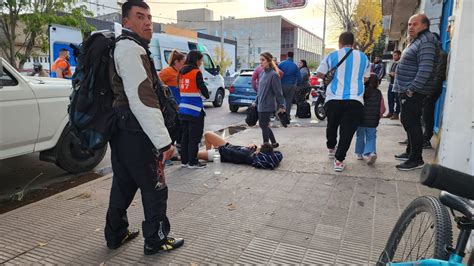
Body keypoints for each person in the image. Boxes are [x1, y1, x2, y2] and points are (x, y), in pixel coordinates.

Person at [105, 0, 183, 255]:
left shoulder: (126, 47)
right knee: (155, 187)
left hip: (123, 129)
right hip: (138, 131)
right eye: (140, 17)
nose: (147, 22)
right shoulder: (130, 49)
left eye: (149, 17)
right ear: (126, 22)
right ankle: (157, 239)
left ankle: (116, 234)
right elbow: (143, 98)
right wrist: (164, 143)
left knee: (123, 184)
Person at [316, 31, 370, 172]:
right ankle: (339, 161)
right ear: (353, 43)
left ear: (340, 43)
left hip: (333, 98)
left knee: (332, 125)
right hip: (355, 99)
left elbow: (320, 74)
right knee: (347, 131)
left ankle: (331, 147)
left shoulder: (332, 55)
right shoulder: (364, 57)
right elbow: (365, 78)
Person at [393, 14, 439, 171]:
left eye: (415, 24)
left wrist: (411, 89)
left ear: (425, 25)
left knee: (411, 122)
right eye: (409, 24)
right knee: (408, 121)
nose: (411, 27)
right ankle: (410, 152)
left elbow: (425, 69)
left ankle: (416, 159)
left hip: (414, 92)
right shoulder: (418, 40)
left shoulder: (426, 41)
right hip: (408, 90)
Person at [178, 50, 210, 169]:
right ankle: (192, 162)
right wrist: (206, 95)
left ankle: (184, 161)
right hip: (195, 110)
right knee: (194, 137)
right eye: (201, 60)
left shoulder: (181, 72)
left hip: (183, 109)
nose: (201, 63)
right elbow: (202, 88)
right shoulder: (196, 72)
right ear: (197, 60)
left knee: (185, 136)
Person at [197, 131, 283, 169]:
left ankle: (207, 155)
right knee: (207, 134)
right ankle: (207, 153)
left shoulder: (247, 156)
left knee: (194, 154)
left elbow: (232, 154)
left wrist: (219, 148)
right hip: (227, 145)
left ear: (260, 152)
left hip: (220, 154)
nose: (258, 147)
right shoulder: (254, 152)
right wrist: (252, 147)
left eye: (260, 147)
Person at [159, 50, 186, 165]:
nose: (184, 64)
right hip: (170, 108)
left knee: (178, 131)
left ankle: (176, 153)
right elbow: (157, 84)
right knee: (170, 131)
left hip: (179, 107)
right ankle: (164, 157)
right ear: (177, 62)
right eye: (183, 62)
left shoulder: (180, 73)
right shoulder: (167, 72)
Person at [422, 33, 448, 149]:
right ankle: (420, 137)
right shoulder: (433, 55)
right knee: (423, 114)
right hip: (426, 89)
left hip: (432, 91)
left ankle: (427, 139)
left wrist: (430, 92)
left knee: (428, 114)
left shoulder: (442, 55)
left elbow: (439, 76)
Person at [254, 52, 286, 147]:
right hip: (261, 104)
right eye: (260, 60)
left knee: (263, 125)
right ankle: (274, 143)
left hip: (268, 105)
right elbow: (260, 90)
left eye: (263, 60)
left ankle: (266, 146)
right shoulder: (262, 73)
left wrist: (281, 105)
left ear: (268, 61)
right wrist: (255, 102)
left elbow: (278, 92)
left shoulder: (274, 75)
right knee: (264, 125)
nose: (261, 62)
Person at [354, 74, 386, 165]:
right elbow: (382, 109)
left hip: (360, 120)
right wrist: (379, 115)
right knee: (371, 137)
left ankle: (359, 154)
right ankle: (371, 153)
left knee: (360, 136)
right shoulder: (378, 93)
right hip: (373, 120)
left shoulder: (361, 91)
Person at [278, 51, 302, 118]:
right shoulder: (295, 66)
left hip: (281, 85)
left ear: (287, 55)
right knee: (289, 101)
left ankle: (279, 116)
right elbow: (299, 78)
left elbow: (276, 74)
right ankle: (287, 116)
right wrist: (298, 85)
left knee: (280, 100)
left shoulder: (281, 64)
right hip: (291, 86)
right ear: (293, 56)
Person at [384, 50, 401, 120]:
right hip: (391, 83)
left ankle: (396, 114)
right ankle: (390, 112)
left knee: (397, 100)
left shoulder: (401, 63)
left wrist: (395, 74)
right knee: (390, 99)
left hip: (397, 85)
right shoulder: (394, 63)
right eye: (393, 55)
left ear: (399, 55)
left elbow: (402, 73)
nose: (393, 57)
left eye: (395, 55)